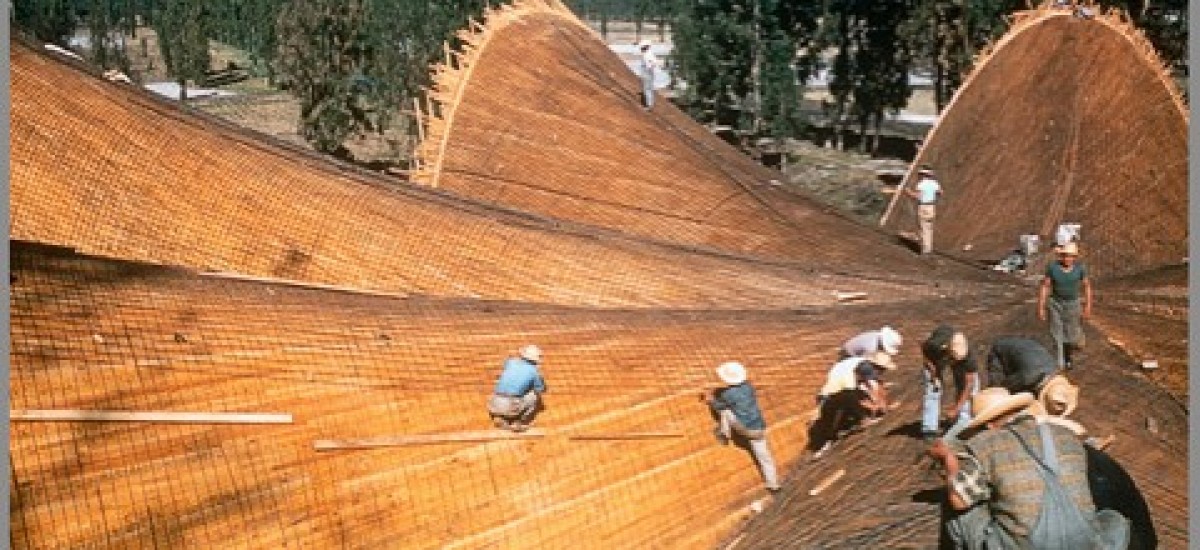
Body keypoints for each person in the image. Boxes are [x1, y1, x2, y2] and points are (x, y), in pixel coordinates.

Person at [928, 388, 1130, 549]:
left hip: (1026, 544)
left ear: (989, 425)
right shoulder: (1066, 434)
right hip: (1084, 542)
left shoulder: (987, 442)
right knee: (1113, 520)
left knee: (954, 501)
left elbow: (958, 501)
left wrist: (949, 460)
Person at [704, 361, 780, 493]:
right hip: (759, 428)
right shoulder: (749, 387)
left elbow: (718, 405)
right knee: (765, 457)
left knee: (725, 412)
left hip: (744, 429)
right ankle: (773, 484)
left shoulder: (727, 394)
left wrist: (709, 400)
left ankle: (724, 433)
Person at [809, 355, 893, 458]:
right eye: (881, 369)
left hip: (840, 394)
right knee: (847, 399)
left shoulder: (861, 367)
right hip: (831, 398)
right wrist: (872, 406)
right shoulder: (855, 374)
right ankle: (862, 420)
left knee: (856, 397)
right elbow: (854, 396)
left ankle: (859, 419)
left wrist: (880, 403)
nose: (881, 372)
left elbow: (873, 386)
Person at [1038, 241, 1092, 370]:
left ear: (1074, 258)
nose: (1068, 259)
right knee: (1057, 333)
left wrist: (1088, 306)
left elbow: (1087, 287)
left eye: (1071, 256)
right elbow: (1045, 286)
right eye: (1066, 256)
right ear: (1061, 256)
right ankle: (1061, 363)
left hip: (1073, 304)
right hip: (1055, 303)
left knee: (1071, 336)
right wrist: (1041, 307)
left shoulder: (1080, 269)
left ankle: (1075, 342)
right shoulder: (1053, 268)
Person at [921, 325, 979, 441]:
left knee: (969, 391)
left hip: (958, 364)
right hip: (936, 360)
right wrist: (932, 369)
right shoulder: (936, 344)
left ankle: (963, 422)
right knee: (933, 388)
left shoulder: (968, 357)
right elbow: (923, 347)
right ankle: (929, 428)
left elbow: (969, 384)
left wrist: (956, 409)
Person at [488, 345, 547, 432]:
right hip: (511, 406)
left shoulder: (511, 362)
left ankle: (500, 417)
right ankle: (519, 422)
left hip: (493, 403)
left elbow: (507, 365)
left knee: (501, 383)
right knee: (535, 395)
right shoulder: (534, 371)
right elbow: (541, 389)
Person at [905, 165, 942, 254]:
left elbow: (917, 196)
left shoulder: (921, 184)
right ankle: (928, 249)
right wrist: (933, 197)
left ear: (923, 175)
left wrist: (908, 192)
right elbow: (940, 192)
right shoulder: (935, 183)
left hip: (923, 207)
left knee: (923, 228)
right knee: (929, 228)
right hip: (932, 206)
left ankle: (925, 251)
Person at [637, 40, 660, 110]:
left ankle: (649, 105)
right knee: (648, 88)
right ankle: (649, 104)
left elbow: (655, 62)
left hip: (648, 72)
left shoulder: (648, 54)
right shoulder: (646, 54)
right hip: (647, 72)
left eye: (642, 48)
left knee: (647, 89)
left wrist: (650, 67)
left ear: (645, 47)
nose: (641, 49)